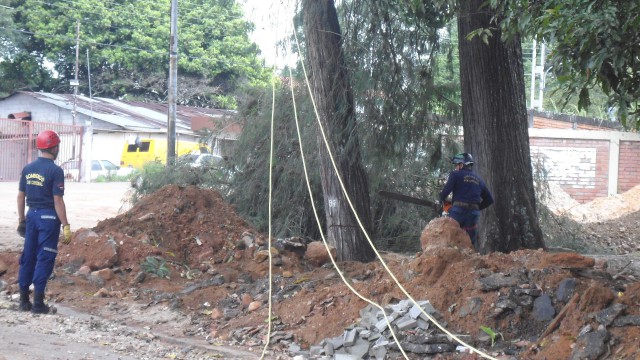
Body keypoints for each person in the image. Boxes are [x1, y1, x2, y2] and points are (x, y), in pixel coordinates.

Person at [16, 130, 72, 314]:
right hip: (48, 219)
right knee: (44, 258)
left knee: (28, 257)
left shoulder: (28, 168)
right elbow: (58, 200)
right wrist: (66, 225)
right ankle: (38, 304)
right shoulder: (55, 171)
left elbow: (20, 196)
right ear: (54, 147)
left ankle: (24, 302)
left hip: (31, 216)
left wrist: (21, 220)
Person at [438, 152, 493, 248]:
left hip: (458, 212)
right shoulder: (479, 179)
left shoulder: (455, 175)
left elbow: (445, 193)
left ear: (461, 165)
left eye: (456, 165)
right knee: (469, 244)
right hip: (473, 214)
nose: (456, 167)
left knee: (452, 240)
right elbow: (489, 200)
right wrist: (476, 208)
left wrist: (444, 202)